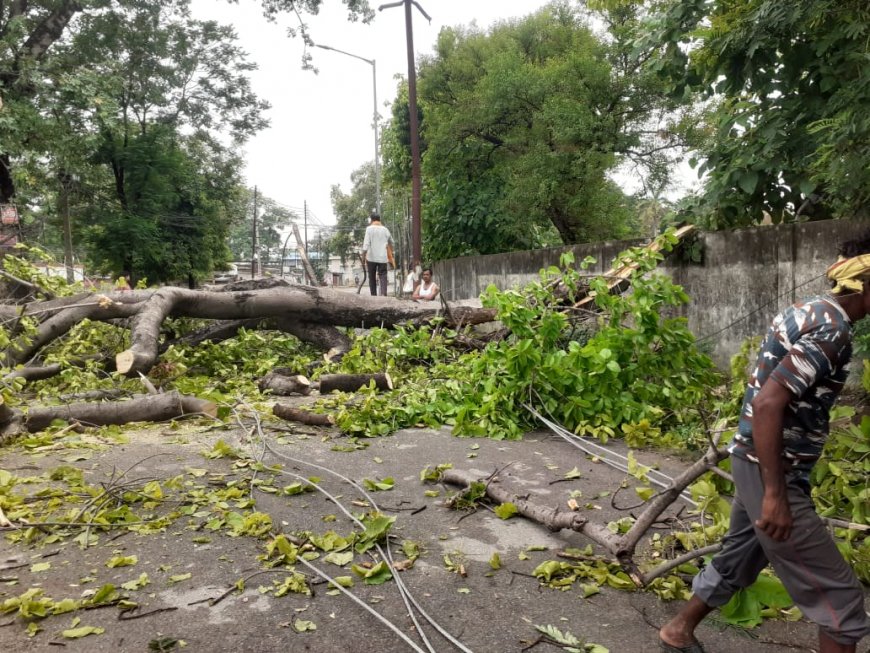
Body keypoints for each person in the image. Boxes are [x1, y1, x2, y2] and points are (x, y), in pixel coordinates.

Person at [659, 233, 870, 653]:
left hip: (755, 458)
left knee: (742, 554)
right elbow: (770, 403)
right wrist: (775, 492)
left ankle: (678, 630)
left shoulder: (808, 310)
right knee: (840, 599)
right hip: (771, 466)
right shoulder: (833, 331)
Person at [361, 212, 394, 297]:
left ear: (371, 220)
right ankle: (383, 294)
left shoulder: (369, 229)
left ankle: (373, 296)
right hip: (382, 258)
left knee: (372, 277)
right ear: (379, 220)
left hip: (371, 258)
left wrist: (363, 257)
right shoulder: (385, 229)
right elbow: (392, 242)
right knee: (383, 275)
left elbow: (366, 245)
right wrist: (391, 252)